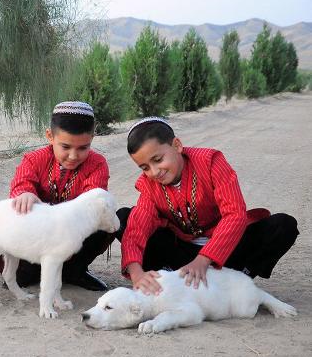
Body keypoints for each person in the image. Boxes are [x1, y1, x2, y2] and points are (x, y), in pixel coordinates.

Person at [116, 117, 299, 296]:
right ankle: (173, 275)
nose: (155, 172)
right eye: (145, 168)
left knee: (283, 225)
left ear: (177, 145)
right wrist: (136, 274)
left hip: (226, 250)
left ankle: (237, 279)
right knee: (124, 218)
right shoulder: (149, 185)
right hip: (182, 253)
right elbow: (137, 228)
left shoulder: (210, 161)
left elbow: (234, 214)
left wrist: (204, 259)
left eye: (158, 159)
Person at [0, 101, 113, 291]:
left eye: (83, 148)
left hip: (72, 233)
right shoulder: (34, 159)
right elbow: (22, 183)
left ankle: (74, 270)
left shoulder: (97, 164)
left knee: (106, 219)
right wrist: (25, 194)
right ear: (50, 136)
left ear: (92, 137)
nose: (73, 155)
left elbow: (92, 201)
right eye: (65, 146)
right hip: (39, 237)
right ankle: (27, 270)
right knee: (22, 210)